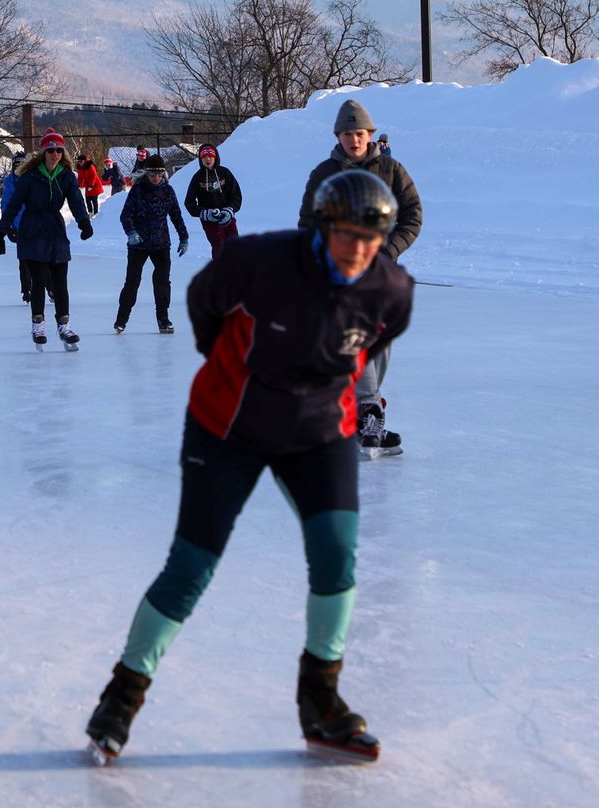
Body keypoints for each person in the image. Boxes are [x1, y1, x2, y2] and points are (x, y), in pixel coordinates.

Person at [84, 171, 414, 764]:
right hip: (227, 425)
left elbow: (369, 345)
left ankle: (322, 699)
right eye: (347, 237)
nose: (359, 252)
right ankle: (122, 694)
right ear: (319, 228)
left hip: (319, 433)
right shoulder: (259, 262)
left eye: (372, 239)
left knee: (338, 554)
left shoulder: (390, 290)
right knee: (192, 566)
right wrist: (236, 370)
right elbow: (202, 305)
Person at [297, 98, 422, 455]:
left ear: (369, 134)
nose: (354, 139)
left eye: (360, 133)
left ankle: (358, 415)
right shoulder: (324, 174)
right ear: (339, 136)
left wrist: (390, 249)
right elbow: (309, 223)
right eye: (348, 133)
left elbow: (412, 213)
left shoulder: (391, 170)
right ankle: (368, 411)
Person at [0, 129, 93, 349]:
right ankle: (38, 324)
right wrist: (0, 233)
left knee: (60, 281)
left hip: (55, 230)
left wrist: (84, 222)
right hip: (32, 230)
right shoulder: (29, 177)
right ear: (43, 153)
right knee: (38, 280)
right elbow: (14, 205)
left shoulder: (66, 175)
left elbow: (76, 201)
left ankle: (64, 325)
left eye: (59, 150)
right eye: (51, 150)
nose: (55, 154)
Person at [115, 153, 191, 334]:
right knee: (132, 282)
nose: (156, 178)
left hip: (161, 243)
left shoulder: (168, 191)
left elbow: (176, 215)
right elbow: (125, 215)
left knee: (163, 282)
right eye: (152, 175)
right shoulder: (138, 190)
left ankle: (163, 319)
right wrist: (131, 232)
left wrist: (184, 237)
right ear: (146, 174)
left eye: (159, 174)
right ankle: (121, 319)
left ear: (163, 174)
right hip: (138, 245)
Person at [182, 142, 244, 257]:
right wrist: (203, 213)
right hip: (210, 219)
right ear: (201, 159)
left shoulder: (225, 173)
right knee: (219, 246)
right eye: (204, 157)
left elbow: (236, 196)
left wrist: (230, 210)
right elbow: (189, 202)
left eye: (210, 156)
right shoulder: (197, 177)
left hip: (227, 216)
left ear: (215, 157)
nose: (208, 159)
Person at [0, 149, 33, 303]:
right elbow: (5, 204)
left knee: (44, 259)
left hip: (35, 224)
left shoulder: (33, 179)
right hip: (19, 226)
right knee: (24, 260)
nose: (19, 168)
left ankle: (50, 287)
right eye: (16, 165)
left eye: (22, 165)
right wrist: (9, 226)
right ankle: (26, 290)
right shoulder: (9, 182)